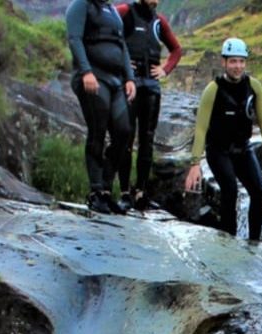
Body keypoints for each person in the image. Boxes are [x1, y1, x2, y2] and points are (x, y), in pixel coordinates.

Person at [184, 38, 262, 241]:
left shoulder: (254, 87)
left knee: (259, 192)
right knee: (230, 190)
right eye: (233, 61)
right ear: (224, 62)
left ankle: (254, 242)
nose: (238, 66)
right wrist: (194, 164)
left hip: (243, 150)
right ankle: (228, 241)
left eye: (241, 61)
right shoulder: (213, 90)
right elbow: (200, 128)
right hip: (218, 151)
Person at [66, 0, 136, 215]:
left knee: (124, 132)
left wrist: (129, 78)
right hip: (93, 77)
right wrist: (86, 71)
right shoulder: (81, 5)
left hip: (116, 80)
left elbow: (121, 45)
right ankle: (96, 192)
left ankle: (106, 188)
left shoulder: (113, 11)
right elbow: (74, 39)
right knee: (98, 130)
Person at [114, 0, 182, 212]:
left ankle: (141, 193)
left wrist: (165, 69)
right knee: (126, 136)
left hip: (151, 85)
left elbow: (177, 49)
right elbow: (105, 31)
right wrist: (120, 62)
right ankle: (125, 193)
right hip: (129, 81)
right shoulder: (124, 11)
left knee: (147, 139)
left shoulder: (159, 21)